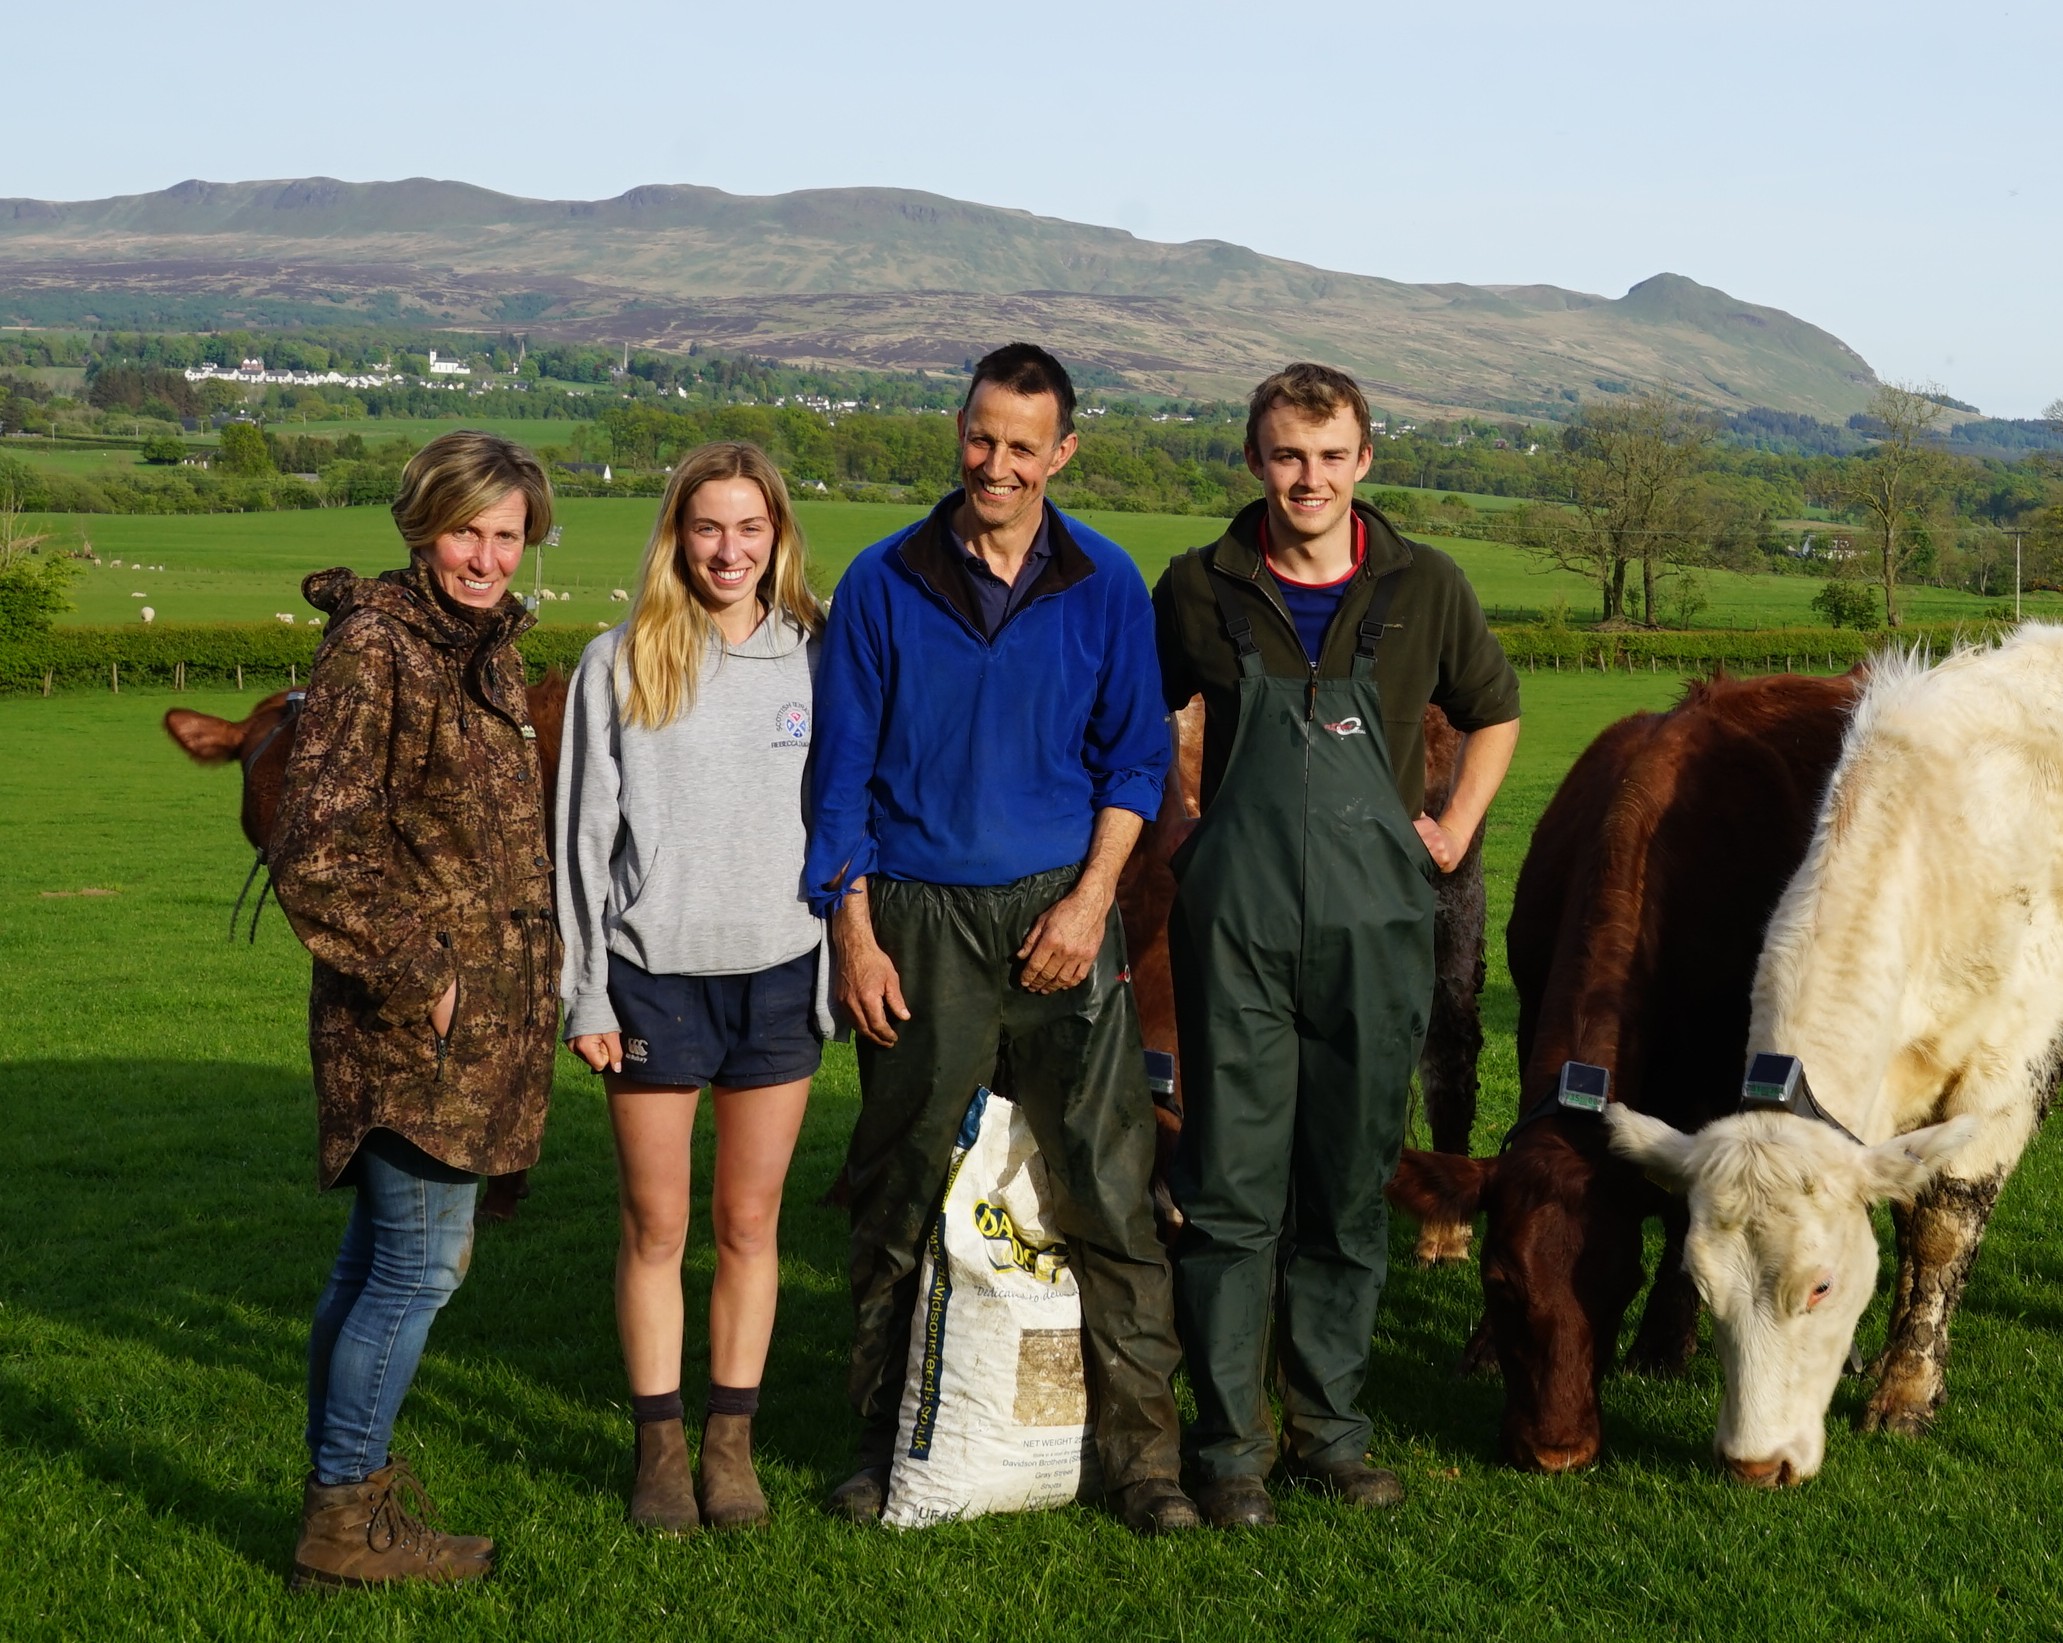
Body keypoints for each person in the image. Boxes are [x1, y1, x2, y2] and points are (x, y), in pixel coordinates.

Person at [806, 342, 1197, 1535]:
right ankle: (882, 1440)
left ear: (1061, 452)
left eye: (1024, 446)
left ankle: (1143, 1461)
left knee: (1110, 1190)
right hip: (916, 920)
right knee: (897, 1185)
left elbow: (1135, 759)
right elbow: (839, 781)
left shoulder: (1104, 583)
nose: (998, 463)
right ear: (956, 430)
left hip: (1059, 911)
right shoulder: (881, 582)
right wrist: (855, 940)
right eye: (982, 437)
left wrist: (1089, 907)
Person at [1153, 363, 1521, 1528]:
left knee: (1347, 1190)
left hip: (1376, 930)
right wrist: (1181, 831)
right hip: (1236, 931)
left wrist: (1451, 830)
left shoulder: (1425, 584)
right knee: (1226, 1191)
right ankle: (1226, 1450)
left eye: (1327, 455)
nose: (1305, 478)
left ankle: (1331, 1432)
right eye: (1283, 455)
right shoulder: (1198, 587)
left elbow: (1494, 709)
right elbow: (1137, 715)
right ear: (1254, 460)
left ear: (1363, 460)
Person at [271, 430, 561, 1589]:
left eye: (506, 534)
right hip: (411, 1023)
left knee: (377, 1263)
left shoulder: (474, 648)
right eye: (466, 530)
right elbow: (315, 851)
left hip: (468, 1021)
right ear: (420, 523)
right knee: (418, 1268)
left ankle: (344, 1507)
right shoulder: (378, 651)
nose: (487, 556)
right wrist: (427, 977)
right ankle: (344, 1523)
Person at [556, 442, 828, 1535]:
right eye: (708, 526)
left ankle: (732, 1446)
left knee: (750, 1221)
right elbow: (579, 840)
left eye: (749, 528)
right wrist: (585, 993)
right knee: (657, 1224)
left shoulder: (816, 660)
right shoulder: (617, 661)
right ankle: (659, 1450)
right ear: (676, 533)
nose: (729, 549)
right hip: (651, 981)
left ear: (777, 537)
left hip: (777, 978)